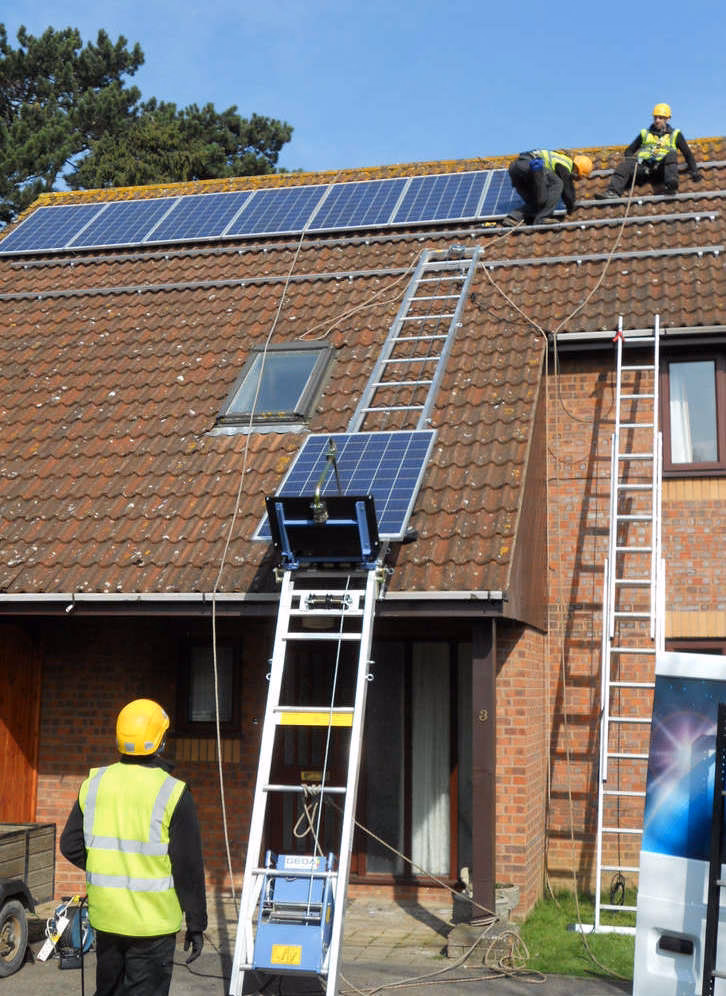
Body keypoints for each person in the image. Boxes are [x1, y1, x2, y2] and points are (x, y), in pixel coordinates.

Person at [60, 698, 208, 996]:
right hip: (153, 927)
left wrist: (106, 865)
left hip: (108, 920)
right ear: (160, 742)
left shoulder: (95, 783)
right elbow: (188, 867)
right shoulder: (173, 792)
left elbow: (70, 844)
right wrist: (195, 923)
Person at [597, 103, 702, 199]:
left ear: (667, 119)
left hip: (662, 170)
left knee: (671, 154)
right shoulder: (645, 133)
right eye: (655, 117)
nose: (657, 120)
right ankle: (613, 192)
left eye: (660, 118)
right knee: (624, 166)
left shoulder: (675, 134)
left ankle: (671, 185)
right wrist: (634, 161)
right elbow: (629, 151)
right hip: (645, 169)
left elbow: (687, 154)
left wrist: (694, 171)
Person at [504, 149, 593, 226]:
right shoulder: (566, 163)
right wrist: (571, 207)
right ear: (577, 171)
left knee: (538, 200)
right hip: (531, 165)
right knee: (557, 183)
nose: (575, 179)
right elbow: (567, 187)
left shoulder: (559, 161)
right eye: (578, 177)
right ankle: (542, 218)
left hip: (515, 170)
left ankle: (514, 217)